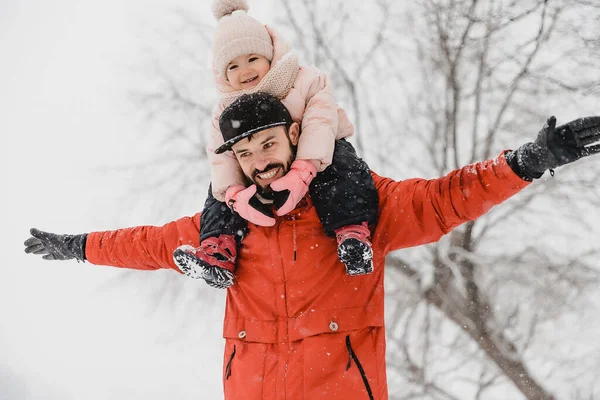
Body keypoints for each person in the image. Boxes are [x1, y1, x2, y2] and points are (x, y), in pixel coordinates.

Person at [24, 92, 600, 400]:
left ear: (294, 137)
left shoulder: (359, 206)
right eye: (245, 155)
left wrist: (529, 161)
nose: (259, 163)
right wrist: (79, 246)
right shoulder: (227, 228)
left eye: (268, 144)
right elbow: (149, 244)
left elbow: (444, 199)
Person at [176, 0, 378, 289]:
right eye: (233, 65)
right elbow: (221, 160)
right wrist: (235, 196)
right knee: (217, 190)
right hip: (268, 166)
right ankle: (219, 249)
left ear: (269, 53)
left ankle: (352, 232)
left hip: (318, 150)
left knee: (341, 165)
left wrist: (304, 168)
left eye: (252, 59)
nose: (244, 70)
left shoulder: (305, 79)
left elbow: (320, 122)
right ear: (223, 74)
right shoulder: (224, 110)